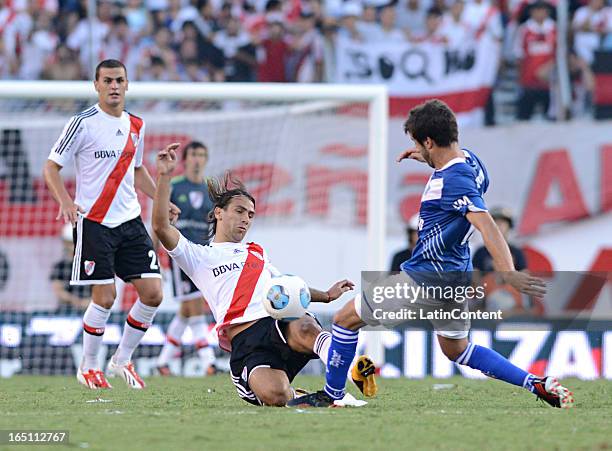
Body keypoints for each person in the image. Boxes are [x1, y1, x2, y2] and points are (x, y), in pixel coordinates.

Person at [290, 99, 574, 409]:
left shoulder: (453, 180)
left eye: (417, 142)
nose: (415, 148)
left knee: (345, 320)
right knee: (458, 350)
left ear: (428, 141)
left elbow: (486, 224)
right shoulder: (473, 164)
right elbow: (460, 186)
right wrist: (425, 157)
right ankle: (536, 383)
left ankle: (331, 396)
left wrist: (507, 271)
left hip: (424, 277)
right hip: (455, 278)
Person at [152, 146, 376, 406]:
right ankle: (303, 396)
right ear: (218, 213)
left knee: (304, 325)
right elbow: (160, 226)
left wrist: (325, 295)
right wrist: (164, 177)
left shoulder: (257, 253)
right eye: (239, 211)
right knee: (275, 396)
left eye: (250, 215)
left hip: (276, 322)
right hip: (246, 342)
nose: (246, 219)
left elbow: (287, 288)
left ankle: (351, 372)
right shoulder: (198, 255)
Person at [43, 59, 180, 390]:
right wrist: (64, 200)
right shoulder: (82, 123)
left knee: (153, 293)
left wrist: (163, 197)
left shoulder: (136, 124)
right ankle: (88, 365)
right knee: (105, 297)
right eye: (108, 80)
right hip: (94, 221)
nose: (114, 86)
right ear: (97, 85)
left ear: (127, 84)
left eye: (119, 80)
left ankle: (122, 359)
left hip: (130, 221)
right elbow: (51, 167)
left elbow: (135, 169)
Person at [156, 141, 217, 376]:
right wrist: (155, 250)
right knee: (195, 305)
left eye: (202, 155)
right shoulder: (174, 186)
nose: (198, 159)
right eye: (193, 155)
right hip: (180, 253)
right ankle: (208, 360)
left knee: (186, 309)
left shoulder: (210, 190)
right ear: (185, 159)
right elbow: (158, 219)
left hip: (203, 254)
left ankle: (163, 361)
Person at [50, 223, 91, 313]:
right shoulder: (60, 266)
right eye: (68, 243)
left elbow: (103, 289)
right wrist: (77, 302)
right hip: (65, 311)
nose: (70, 247)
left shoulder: (92, 264)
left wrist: (90, 302)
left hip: (91, 310)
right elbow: (58, 290)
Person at [472, 207, 526, 273]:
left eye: (502, 222)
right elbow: (474, 277)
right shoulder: (480, 252)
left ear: (509, 226)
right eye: (495, 222)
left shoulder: (517, 252)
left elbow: (524, 275)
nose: (498, 225)